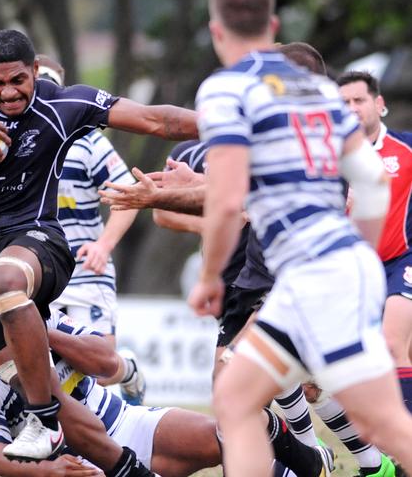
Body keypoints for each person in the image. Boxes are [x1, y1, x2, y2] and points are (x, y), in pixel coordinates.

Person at [0, 28, 198, 462]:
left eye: (18, 80)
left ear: (34, 71)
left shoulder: (64, 104)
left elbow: (157, 120)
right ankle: (96, 449)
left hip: (38, 240)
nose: (8, 93)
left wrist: (233, 126)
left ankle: (44, 420)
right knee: (46, 393)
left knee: (6, 280)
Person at [101, 42, 399, 477]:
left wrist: (162, 196)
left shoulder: (289, 134)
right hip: (270, 275)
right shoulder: (313, 132)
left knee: (239, 392)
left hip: (285, 277)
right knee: (288, 388)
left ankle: (317, 460)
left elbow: (233, 202)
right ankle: (355, 464)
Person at [189, 0, 412, 475]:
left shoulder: (227, 89)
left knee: (386, 425)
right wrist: (359, 262)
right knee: (235, 395)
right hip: (330, 271)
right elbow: (373, 184)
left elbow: (227, 200)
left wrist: (208, 278)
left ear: (217, 31)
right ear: (271, 27)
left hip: (316, 276)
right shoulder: (318, 92)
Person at [0, 287, 334, 477]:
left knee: (232, 432)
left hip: (129, 422)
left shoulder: (36, 326)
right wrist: (50, 472)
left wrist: (40, 336)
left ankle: (308, 465)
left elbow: (105, 361)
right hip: (84, 459)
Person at [35, 55, 145, 405]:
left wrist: (103, 245)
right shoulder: (10, 142)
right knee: (42, 359)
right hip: (38, 268)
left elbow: (130, 195)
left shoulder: (88, 142)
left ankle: (127, 369)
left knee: (99, 364)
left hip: (85, 267)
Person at [337, 70, 412, 415]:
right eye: (344, 103)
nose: (352, 109)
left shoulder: (406, 148)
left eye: (359, 100)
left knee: (392, 343)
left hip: (402, 262)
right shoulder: (328, 159)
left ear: (378, 104)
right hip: (352, 272)